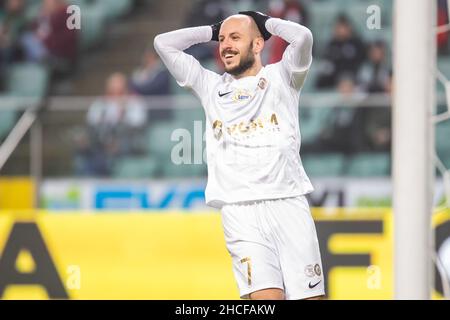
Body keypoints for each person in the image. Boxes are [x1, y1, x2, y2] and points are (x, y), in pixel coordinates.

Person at [154, 11, 324, 300]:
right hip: (240, 211)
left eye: (235, 38)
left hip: (288, 202)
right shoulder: (210, 86)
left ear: (258, 45)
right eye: (222, 40)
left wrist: (263, 21)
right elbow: (163, 43)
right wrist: (212, 30)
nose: (225, 45)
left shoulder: (282, 76)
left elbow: (303, 37)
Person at [316, 14, 366, 89]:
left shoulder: (356, 43)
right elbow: (326, 62)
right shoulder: (331, 44)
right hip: (335, 77)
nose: (340, 30)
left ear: (349, 28)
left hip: (353, 75)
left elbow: (362, 60)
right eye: (338, 27)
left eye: (343, 27)